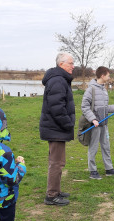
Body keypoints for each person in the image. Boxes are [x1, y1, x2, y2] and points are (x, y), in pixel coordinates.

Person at [39, 52, 75, 206]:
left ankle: (56, 190)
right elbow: (57, 108)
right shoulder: (58, 81)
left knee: (58, 161)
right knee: (56, 162)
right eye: (71, 63)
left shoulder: (59, 79)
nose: (73, 67)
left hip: (56, 128)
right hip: (56, 129)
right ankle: (52, 195)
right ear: (61, 64)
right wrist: (68, 124)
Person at [81, 66, 114, 180]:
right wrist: (93, 119)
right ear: (102, 75)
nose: (109, 77)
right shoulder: (91, 89)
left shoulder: (104, 90)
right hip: (95, 124)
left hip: (104, 124)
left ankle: (109, 169)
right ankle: (93, 171)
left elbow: (105, 108)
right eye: (108, 75)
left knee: (106, 146)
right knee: (93, 148)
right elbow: (84, 107)